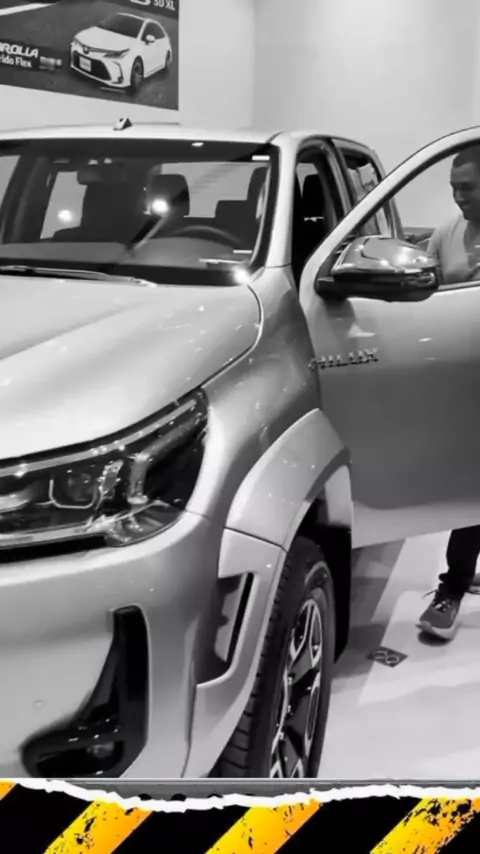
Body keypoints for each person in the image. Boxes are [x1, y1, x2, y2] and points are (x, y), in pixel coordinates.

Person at [417, 145, 480, 641]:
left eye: (468, 188)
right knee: (470, 487)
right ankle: (453, 586)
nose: (458, 197)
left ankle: (456, 583)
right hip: (460, 383)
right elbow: (421, 294)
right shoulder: (446, 234)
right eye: (454, 188)